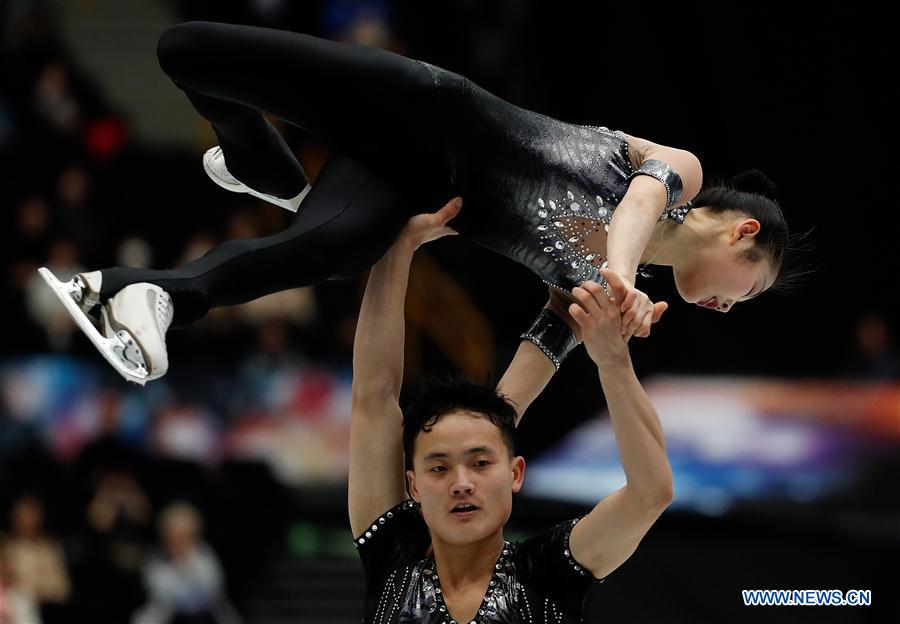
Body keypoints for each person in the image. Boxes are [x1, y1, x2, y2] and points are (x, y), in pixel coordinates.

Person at [38, 21, 795, 384]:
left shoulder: (601, 295)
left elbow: (524, 376)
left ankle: (146, 293)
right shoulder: (680, 176)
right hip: (420, 109)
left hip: (409, 188)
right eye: (750, 290)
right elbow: (633, 210)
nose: (733, 307)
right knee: (185, 53)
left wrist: (493, 438)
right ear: (741, 233)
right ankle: (249, 156)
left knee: (327, 252)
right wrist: (622, 279)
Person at [348, 198, 673, 623]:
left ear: (516, 473)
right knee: (490, 423)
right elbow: (374, 397)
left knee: (491, 424)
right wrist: (399, 245)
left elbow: (651, 494)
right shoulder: (392, 558)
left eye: (480, 464)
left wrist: (613, 360)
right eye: (439, 468)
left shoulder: (547, 572)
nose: (461, 484)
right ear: (412, 486)